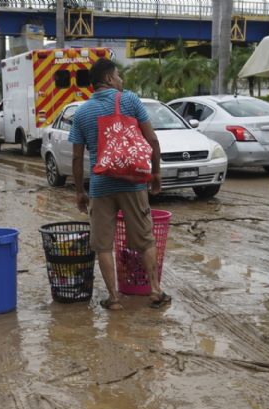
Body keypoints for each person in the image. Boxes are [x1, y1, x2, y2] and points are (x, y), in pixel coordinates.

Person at [68, 58, 171, 310]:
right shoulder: (130, 100)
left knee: (103, 244)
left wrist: (80, 191)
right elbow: (153, 140)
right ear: (109, 79)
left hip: (101, 185)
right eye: (119, 75)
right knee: (146, 239)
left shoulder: (81, 113)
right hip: (133, 183)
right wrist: (155, 174)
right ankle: (155, 291)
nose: (122, 80)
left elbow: (76, 157)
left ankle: (114, 298)